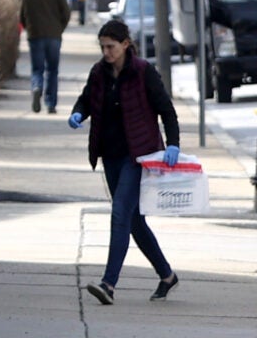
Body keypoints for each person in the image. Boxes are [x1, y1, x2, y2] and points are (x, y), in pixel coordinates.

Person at [69, 17, 180, 304]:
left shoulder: (143, 72)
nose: (106, 53)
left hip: (139, 156)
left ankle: (108, 284)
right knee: (133, 221)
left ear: (125, 44)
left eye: (111, 47)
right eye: (103, 47)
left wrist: (174, 145)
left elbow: (166, 110)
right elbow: (85, 100)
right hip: (111, 154)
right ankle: (167, 276)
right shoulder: (99, 73)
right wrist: (78, 113)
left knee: (120, 212)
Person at [19, 0, 71, 114]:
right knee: (52, 70)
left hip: (35, 36)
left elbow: (22, 16)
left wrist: (29, 29)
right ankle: (51, 103)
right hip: (54, 37)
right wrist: (59, 29)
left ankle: (36, 87)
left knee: (37, 68)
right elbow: (66, 14)